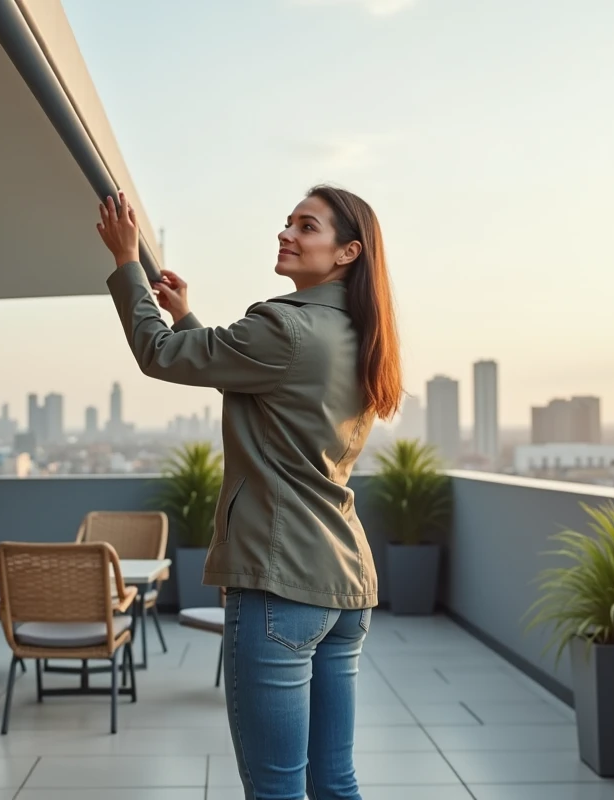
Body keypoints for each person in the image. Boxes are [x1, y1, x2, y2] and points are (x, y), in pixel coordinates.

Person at [97, 185, 402, 800]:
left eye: (306, 226)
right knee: (334, 782)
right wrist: (187, 316)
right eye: (288, 222)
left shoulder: (284, 325)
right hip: (343, 586)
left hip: (279, 582)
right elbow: (257, 379)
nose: (286, 233)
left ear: (347, 252)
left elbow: (159, 355)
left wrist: (127, 262)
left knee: (276, 790)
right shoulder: (362, 336)